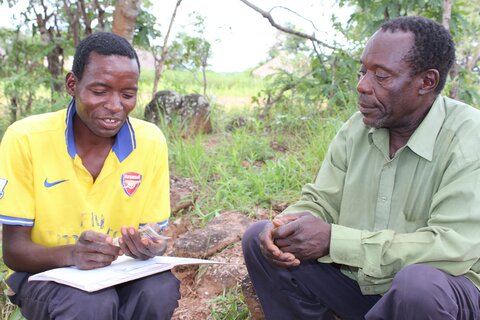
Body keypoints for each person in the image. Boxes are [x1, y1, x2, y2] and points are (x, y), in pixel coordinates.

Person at [242, 16, 480, 319]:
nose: (362, 86)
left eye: (381, 76)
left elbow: (451, 247)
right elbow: (321, 200)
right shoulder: (357, 129)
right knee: (258, 238)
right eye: (362, 71)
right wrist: (290, 224)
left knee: (418, 286)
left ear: (426, 81)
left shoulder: (469, 138)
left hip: (440, 297)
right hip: (364, 287)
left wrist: (334, 240)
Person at [0, 32, 180, 319]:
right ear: (72, 84)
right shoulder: (25, 138)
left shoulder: (150, 141)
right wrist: (72, 254)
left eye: (127, 94)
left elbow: (154, 232)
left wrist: (151, 245)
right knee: (91, 304)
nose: (114, 105)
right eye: (99, 91)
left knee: (159, 290)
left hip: (120, 273)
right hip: (47, 274)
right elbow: (14, 251)